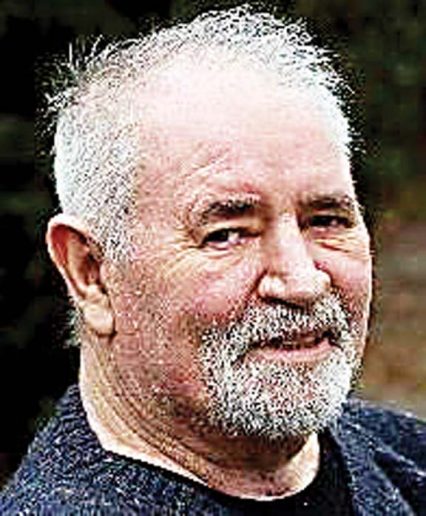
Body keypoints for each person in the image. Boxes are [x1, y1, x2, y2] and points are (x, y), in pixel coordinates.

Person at [1, 6, 425, 514]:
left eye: (326, 220)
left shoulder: (406, 460)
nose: (302, 281)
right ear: (90, 273)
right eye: (227, 234)